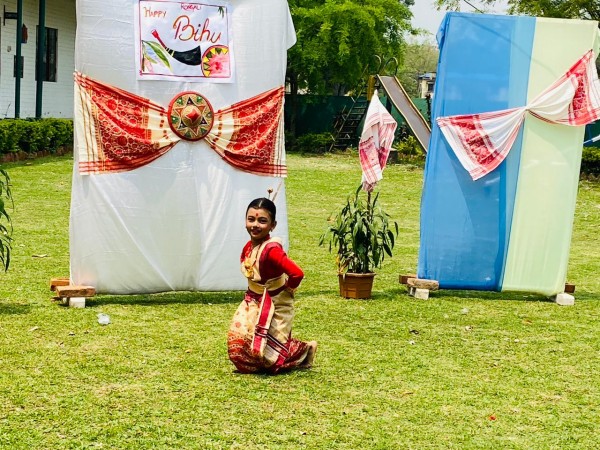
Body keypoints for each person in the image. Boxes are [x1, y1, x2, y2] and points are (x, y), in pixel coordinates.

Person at [227, 197, 317, 374]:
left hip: (275, 303)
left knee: (273, 360)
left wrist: (288, 289)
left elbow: (297, 273)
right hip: (253, 301)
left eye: (262, 221)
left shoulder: (272, 250)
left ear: (272, 225)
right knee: (238, 343)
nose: (255, 225)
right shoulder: (248, 246)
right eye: (251, 219)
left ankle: (306, 349)